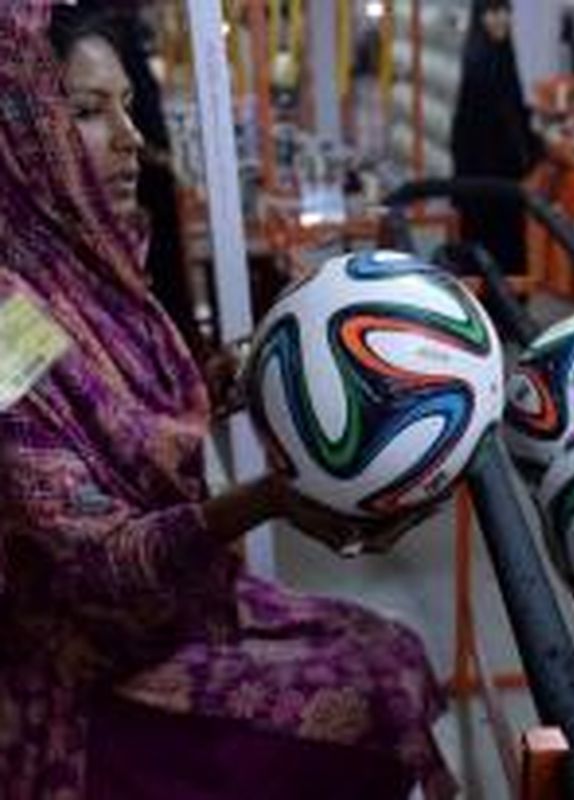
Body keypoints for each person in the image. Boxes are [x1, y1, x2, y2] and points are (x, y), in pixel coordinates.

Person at [0, 6, 454, 798]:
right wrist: (268, 500)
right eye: (85, 112)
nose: (131, 140)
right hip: (86, 668)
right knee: (371, 694)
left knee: (398, 654)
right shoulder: (8, 324)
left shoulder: (94, 276)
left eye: (127, 108)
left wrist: (261, 373)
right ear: (21, 137)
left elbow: (129, 425)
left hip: (182, 609)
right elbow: (95, 564)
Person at [451, 0, 544, 273]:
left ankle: (508, 304)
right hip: (483, 175)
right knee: (488, 249)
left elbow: (514, 109)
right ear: (480, 17)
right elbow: (470, 127)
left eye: (505, 11)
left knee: (507, 248)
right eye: (492, 12)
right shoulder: (478, 61)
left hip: (505, 175)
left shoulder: (504, 55)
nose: (500, 19)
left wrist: (533, 144)